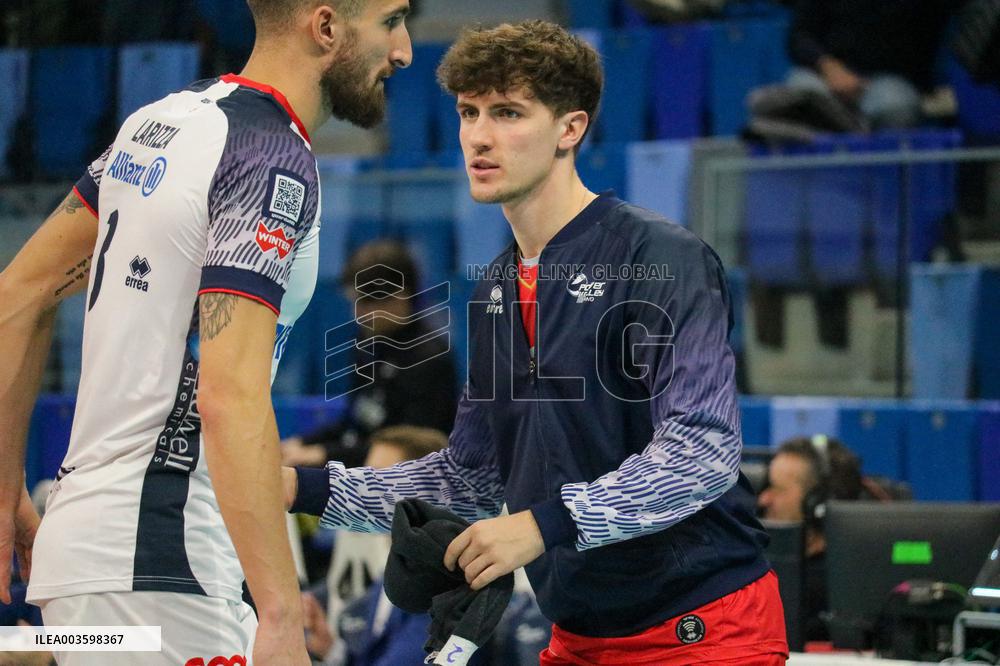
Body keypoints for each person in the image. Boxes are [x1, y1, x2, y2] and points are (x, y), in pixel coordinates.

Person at [286, 19, 788, 665]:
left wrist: (544, 524)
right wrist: (303, 490)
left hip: (702, 627)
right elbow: (469, 479)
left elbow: (701, 452)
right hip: (577, 633)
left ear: (570, 129)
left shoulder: (660, 257)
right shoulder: (494, 288)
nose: (479, 136)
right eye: (468, 113)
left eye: (508, 113)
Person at [0, 1, 412, 663]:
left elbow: (17, 296)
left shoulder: (161, 121)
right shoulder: (272, 158)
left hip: (92, 548)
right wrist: (280, 613)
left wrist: (5, 490)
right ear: (326, 26)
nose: (404, 50)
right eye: (391, 21)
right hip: (162, 558)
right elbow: (228, 395)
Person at [282, 240, 457, 469]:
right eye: (354, 302)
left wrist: (322, 454)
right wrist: (302, 443)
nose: (357, 314)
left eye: (366, 302)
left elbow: (410, 450)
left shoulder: (431, 359)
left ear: (401, 296)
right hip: (361, 467)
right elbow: (355, 423)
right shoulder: (366, 343)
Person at [300, 425, 450, 665]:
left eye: (379, 479)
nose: (362, 490)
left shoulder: (443, 577)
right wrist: (331, 650)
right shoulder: (396, 564)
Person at [787, 0, 957, 129]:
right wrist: (829, 67)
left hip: (890, 80)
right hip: (828, 74)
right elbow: (800, 36)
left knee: (893, 105)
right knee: (802, 92)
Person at [757, 435, 863, 643]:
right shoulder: (758, 563)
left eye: (777, 489)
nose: (763, 499)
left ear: (817, 504)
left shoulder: (842, 587)